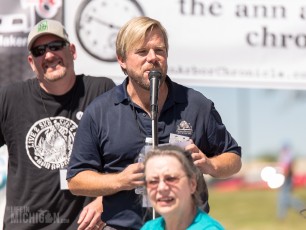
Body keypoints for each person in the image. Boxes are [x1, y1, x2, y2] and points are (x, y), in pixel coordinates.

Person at [67, 16, 241, 230]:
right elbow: (76, 180)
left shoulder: (195, 105)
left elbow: (234, 158)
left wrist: (210, 164)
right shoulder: (100, 111)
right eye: (142, 52)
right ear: (121, 59)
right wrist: (120, 180)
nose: (152, 58)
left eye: (159, 50)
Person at [0, 19, 115, 230]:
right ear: (31, 62)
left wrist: (104, 200)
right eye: (39, 50)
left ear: (72, 50)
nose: (49, 55)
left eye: (55, 46)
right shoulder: (9, 98)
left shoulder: (101, 91)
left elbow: (127, 153)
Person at [141, 145, 224, 230]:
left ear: (192, 184)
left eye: (171, 179)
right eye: (153, 181)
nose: (162, 188)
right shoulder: (149, 227)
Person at [277, 143, 305, 220]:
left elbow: (287, 168)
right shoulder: (288, 155)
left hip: (286, 179)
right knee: (283, 197)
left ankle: (301, 207)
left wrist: (284, 179)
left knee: (284, 197)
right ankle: (281, 216)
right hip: (287, 178)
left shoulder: (286, 155)